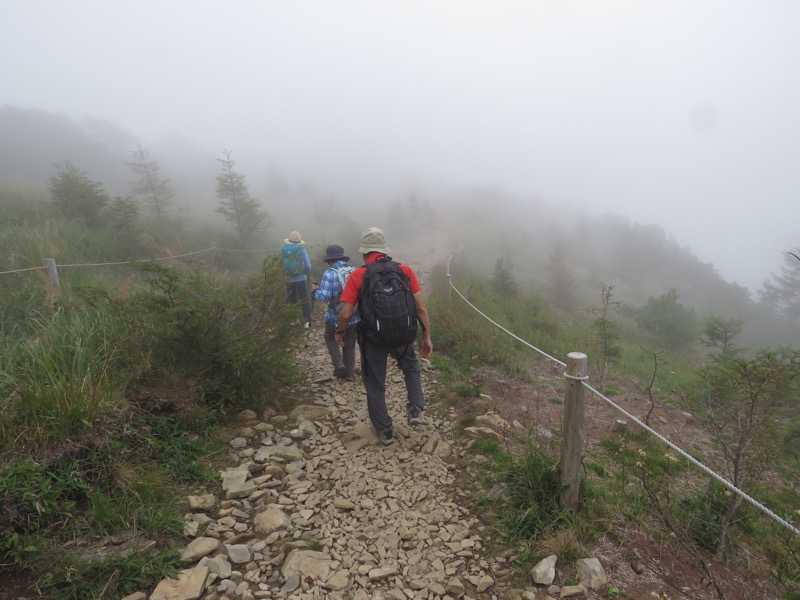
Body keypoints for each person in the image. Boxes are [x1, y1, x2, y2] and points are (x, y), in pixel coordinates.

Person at [336, 227, 433, 446]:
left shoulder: (359, 275)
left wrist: (340, 333)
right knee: (411, 367)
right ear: (384, 250)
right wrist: (426, 335)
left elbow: (346, 312)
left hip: (374, 339)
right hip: (403, 335)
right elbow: (420, 308)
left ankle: (384, 430)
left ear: (364, 253)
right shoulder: (405, 271)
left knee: (374, 382)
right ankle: (415, 408)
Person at [310, 244, 359, 381]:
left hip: (334, 316)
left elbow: (324, 297)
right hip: (354, 315)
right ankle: (349, 374)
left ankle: (339, 365)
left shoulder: (329, 273)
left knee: (330, 337)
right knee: (349, 342)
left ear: (329, 260)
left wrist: (315, 291)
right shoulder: (354, 270)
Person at [281, 230, 312, 328]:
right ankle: (306, 322)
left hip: (288, 279)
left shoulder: (284, 249)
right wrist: (305, 271)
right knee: (304, 299)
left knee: (292, 300)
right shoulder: (302, 250)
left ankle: (294, 320)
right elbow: (308, 265)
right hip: (301, 279)